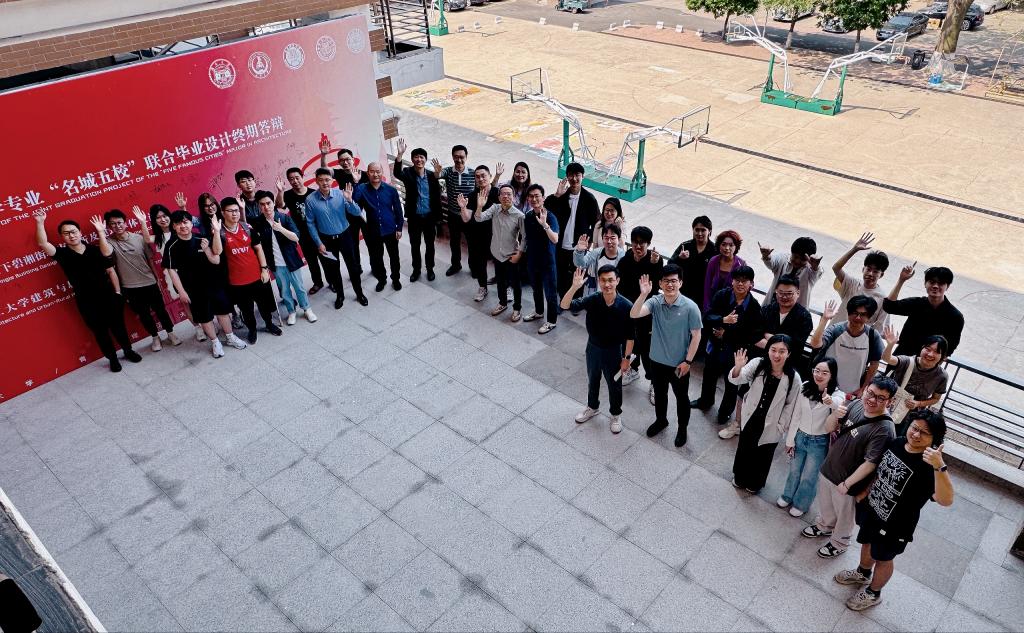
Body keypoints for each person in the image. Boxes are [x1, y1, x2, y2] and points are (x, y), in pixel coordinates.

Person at [835, 409, 954, 611]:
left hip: (897, 526)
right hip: (874, 510)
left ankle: (874, 593)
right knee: (867, 543)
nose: (916, 434)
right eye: (915, 428)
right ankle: (863, 573)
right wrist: (865, 491)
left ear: (934, 438)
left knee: (883, 558)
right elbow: (880, 470)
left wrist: (940, 467)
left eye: (924, 432)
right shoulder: (897, 443)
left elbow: (946, 500)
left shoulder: (929, 465)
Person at [802, 375, 898, 559]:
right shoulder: (856, 404)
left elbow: (871, 463)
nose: (872, 400)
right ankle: (825, 526)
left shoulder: (884, 429)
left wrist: (847, 484)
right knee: (827, 505)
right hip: (830, 467)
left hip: (848, 482)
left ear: (890, 401)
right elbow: (829, 428)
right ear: (866, 389)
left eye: (880, 398)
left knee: (845, 515)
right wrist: (834, 415)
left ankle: (840, 542)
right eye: (871, 393)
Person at [34, 211, 143, 372]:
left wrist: (118, 293)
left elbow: (111, 270)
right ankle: (112, 359)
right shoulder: (62, 254)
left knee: (119, 327)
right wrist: (40, 222)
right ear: (62, 237)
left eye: (73, 232)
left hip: (108, 296)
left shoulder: (95, 250)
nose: (71, 236)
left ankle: (128, 351)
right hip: (86, 301)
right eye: (66, 233)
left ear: (80, 232)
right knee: (100, 332)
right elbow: (43, 243)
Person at [629, 265, 703, 447]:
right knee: (660, 394)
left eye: (674, 281)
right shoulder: (655, 301)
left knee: (681, 397)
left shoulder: (690, 307)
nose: (670, 284)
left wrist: (688, 361)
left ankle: (682, 429)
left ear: (681, 283)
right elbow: (634, 313)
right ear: (660, 283)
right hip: (656, 361)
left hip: (679, 365)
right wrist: (643, 294)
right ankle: (661, 421)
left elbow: (696, 336)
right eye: (666, 281)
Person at [162, 211, 248, 357]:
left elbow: (216, 260)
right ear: (174, 226)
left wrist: (208, 246)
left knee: (222, 312)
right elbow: (172, 271)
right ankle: (215, 342)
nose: (183, 226)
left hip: (213, 283)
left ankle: (230, 337)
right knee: (204, 317)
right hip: (193, 289)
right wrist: (182, 291)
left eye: (186, 222)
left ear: (191, 223)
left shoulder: (201, 238)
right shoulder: (171, 246)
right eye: (179, 223)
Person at [562, 266, 635, 434]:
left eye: (610, 280)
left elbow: (630, 337)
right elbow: (565, 305)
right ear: (599, 281)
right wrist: (574, 287)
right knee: (593, 379)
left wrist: (626, 359)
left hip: (614, 351)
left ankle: (615, 414)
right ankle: (592, 407)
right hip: (593, 347)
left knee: (614, 385)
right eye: (603, 280)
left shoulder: (626, 306)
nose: (607, 284)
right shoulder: (593, 299)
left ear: (617, 281)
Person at [727, 336, 800, 492]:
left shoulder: (794, 378)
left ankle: (755, 483)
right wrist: (738, 367)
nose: (777, 355)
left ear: (789, 353)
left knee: (764, 454)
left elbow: (791, 405)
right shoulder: (758, 364)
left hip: (773, 423)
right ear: (768, 350)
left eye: (782, 351)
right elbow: (737, 379)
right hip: (751, 416)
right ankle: (739, 477)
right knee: (744, 448)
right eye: (773, 350)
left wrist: (781, 425)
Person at [693, 265, 763, 424]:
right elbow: (707, 317)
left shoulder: (754, 307)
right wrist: (723, 320)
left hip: (735, 351)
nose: (740, 284)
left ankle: (725, 412)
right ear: (732, 281)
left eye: (745, 281)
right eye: (737, 280)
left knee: (731, 382)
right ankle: (705, 401)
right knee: (709, 375)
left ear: (751, 284)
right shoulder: (722, 295)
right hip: (716, 346)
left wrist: (727, 333)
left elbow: (752, 335)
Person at [104, 208, 180, 351]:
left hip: (149, 281)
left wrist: (156, 278)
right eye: (112, 224)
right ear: (108, 227)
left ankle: (171, 333)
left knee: (160, 310)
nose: (117, 226)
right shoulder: (109, 242)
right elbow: (106, 252)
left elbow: (150, 260)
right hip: (129, 286)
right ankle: (155, 337)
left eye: (119, 222)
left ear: (125, 223)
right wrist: (101, 232)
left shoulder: (139, 238)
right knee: (144, 315)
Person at [779, 357, 845, 517]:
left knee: (809, 476)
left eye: (825, 372)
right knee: (794, 470)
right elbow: (796, 414)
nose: (819, 375)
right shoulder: (805, 386)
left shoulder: (837, 394)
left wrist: (829, 401)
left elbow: (839, 404)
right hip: (800, 436)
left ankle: (801, 504)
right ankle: (787, 496)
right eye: (817, 371)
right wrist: (789, 440)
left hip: (819, 442)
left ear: (832, 375)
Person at [219, 197, 282, 343]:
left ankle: (269, 324)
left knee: (264, 304)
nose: (235, 214)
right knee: (246, 309)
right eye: (230, 211)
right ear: (223, 213)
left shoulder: (247, 228)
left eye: (236, 210)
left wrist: (264, 269)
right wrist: (216, 232)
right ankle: (252, 330)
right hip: (237, 281)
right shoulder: (220, 234)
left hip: (257, 276)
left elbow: (259, 249)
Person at [304, 168, 368, 309]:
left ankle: (359, 293)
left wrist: (350, 200)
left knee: (353, 267)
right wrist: (319, 243)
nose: (325, 183)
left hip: (345, 236)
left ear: (332, 180)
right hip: (326, 240)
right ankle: (340, 295)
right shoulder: (310, 200)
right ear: (316, 181)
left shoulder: (340, 194)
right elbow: (310, 223)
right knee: (334, 269)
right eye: (321, 180)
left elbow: (357, 212)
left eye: (327, 179)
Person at [253, 190, 317, 325]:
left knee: (299, 287)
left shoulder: (284, 218)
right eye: (262, 204)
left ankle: (307, 309)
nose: (266, 207)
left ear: (273, 203)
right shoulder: (258, 223)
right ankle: (291, 311)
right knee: (284, 290)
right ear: (259, 206)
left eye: (268, 203)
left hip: (291, 261)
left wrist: (281, 229)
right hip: (276, 264)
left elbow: (296, 237)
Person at [616, 226, 663, 399]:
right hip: (629, 311)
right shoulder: (626, 260)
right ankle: (632, 369)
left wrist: (654, 265)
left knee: (647, 349)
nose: (637, 246)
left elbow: (657, 285)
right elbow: (619, 284)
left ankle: (654, 382)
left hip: (646, 312)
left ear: (648, 244)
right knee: (630, 343)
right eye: (635, 242)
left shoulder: (655, 260)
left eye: (642, 243)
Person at [810, 297, 885, 398]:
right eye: (854, 313)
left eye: (863, 315)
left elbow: (874, 364)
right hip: (825, 387)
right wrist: (824, 319)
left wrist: (863, 389)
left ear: (869, 317)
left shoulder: (873, 336)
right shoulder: (836, 330)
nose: (858, 317)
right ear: (848, 313)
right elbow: (815, 344)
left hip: (851, 393)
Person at [883, 264, 964, 357]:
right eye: (932, 282)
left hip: (928, 361)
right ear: (925, 284)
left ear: (947, 286)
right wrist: (901, 280)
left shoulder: (955, 316)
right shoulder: (916, 303)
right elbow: (889, 306)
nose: (935, 286)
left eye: (941, 283)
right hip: (902, 357)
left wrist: (933, 361)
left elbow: (951, 347)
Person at [881, 327, 949, 435]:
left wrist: (918, 403)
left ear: (943, 357)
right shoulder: (907, 361)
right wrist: (890, 345)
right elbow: (887, 359)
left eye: (936, 352)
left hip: (911, 418)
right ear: (922, 348)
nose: (930, 354)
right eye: (928, 349)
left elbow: (936, 398)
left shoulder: (942, 376)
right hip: (888, 408)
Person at [546, 163, 600, 297]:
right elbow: (546, 211)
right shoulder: (562, 196)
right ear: (567, 177)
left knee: (578, 278)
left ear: (582, 177)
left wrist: (589, 242)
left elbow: (596, 224)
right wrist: (557, 195)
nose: (574, 179)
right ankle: (562, 300)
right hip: (560, 245)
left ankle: (576, 302)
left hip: (578, 247)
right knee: (560, 276)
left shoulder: (589, 199)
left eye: (577, 175)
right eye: (571, 175)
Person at [393, 139, 442, 282]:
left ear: (425, 160)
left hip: (429, 217)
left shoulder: (432, 176)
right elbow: (397, 173)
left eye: (421, 157)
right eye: (416, 157)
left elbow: (437, 198)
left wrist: (438, 174)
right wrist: (400, 154)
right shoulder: (408, 173)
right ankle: (416, 269)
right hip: (414, 217)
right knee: (415, 245)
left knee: (430, 245)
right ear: (412, 159)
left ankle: (430, 269)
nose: (419, 159)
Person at [474, 184, 525, 321]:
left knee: (515, 284)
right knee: (500, 281)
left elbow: (525, 238)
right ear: (499, 197)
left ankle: (517, 309)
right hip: (497, 253)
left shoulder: (520, 215)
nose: (506, 196)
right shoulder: (495, 208)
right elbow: (478, 218)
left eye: (509, 194)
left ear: (514, 197)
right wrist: (479, 206)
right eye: (503, 193)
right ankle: (502, 303)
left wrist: (519, 253)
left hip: (511, 255)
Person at [351, 162, 405, 292]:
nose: (375, 174)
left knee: (394, 257)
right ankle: (382, 279)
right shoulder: (362, 188)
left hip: (390, 229)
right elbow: (354, 202)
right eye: (372, 171)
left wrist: (399, 228)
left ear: (382, 172)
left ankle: (396, 279)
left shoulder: (391, 190)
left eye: (378, 171)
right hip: (373, 231)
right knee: (377, 258)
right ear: (367, 173)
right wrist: (355, 182)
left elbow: (398, 210)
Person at [278, 167, 329, 295]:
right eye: (291, 179)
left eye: (297, 178)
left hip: (319, 233)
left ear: (302, 177)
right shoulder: (288, 195)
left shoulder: (314, 193)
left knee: (326, 259)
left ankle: (332, 281)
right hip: (303, 235)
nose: (295, 181)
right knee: (311, 261)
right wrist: (280, 191)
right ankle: (317, 283)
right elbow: (279, 205)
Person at [320, 142, 369, 275]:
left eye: (348, 159)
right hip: (349, 214)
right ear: (339, 163)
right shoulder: (339, 173)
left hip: (365, 214)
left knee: (371, 242)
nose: (345, 162)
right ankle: (357, 268)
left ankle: (375, 268)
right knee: (353, 244)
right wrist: (324, 154)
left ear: (353, 159)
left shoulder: (364, 174)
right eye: (342, 160)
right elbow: (325, 169)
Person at [753, 274, 814, 378]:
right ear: (776, 291)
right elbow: (755, 337)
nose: (784, 297)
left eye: (789, 293)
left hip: (785, 367)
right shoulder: (767, 310)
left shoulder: (804, 317)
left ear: (798, 293)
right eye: (781, 293)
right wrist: (780, 345)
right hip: (760, 360)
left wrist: (768, 336)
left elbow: (795, 347)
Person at [521, 184, 560, 334]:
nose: (534, 199)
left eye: (537, 196)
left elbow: (555, 239)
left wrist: (544, 225)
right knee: (536, 289)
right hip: (532, 260)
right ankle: (538, 312)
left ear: (543, 198)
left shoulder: (551, 217)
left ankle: (551, 321)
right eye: (531, 196)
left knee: (550, 293)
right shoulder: (529, 216)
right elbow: (526, 238)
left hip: (547, 262)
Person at [433, 144, 476, 276]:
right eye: (456, 157)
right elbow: (438, 176)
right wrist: (437, 172)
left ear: (466, 157)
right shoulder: (448, 171)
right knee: (454, 242)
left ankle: (473, 267)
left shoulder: (473, 173)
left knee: (472, 243)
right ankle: (456, 265)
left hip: (468, 216)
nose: (459, 160)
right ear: (452, 157)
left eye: (462, 157)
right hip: (453, 215)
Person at [458, 165, 499, 302]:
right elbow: (466, 218)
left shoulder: (498, 193)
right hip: (478, 236)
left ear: (490, 176)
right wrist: (463, 207)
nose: (480, 179)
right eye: (477, 176)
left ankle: (506, 286)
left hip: (497, 236)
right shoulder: (472, 195)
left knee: (500, 263)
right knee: (480, 264)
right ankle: (483, 287)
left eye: (483, 176)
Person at [830, 232, 889, 328]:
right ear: (863, 269)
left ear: (881, 275)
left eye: (875, 271)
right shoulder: (852, 284)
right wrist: (854, 249)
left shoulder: (883, 299)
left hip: (857, 337)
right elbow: (836, 268)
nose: (870, 274)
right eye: (868, 269)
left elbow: (879, 327)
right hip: (834, 333)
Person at [759, 237, 823, 307]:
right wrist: (766, 256)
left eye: (802, 259)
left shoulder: (811, 271)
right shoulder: (783, 259)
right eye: (795, 257)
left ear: (809, 259)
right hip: (771, 308)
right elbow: (771, 262)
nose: (797, 261)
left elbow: (817, 272)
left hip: (795, 313)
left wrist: (815, 267)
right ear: (791, 253)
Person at [670, 215, 714, 308]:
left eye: (703, 230)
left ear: (709, 231)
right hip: (683, 293)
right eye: (696, 230)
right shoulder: (685, 246)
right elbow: (670, 264)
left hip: (703, 296)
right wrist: (679, 258)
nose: (699, 233)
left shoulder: (715, 250)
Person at [572, 224, 626, 297]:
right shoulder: (596, 253)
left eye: (612, 238)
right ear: (602, 239)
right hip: (599, 295)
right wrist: (579, 251)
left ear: (619, 240)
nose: (609, 241)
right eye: (606, 238)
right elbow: (581, 265)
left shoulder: (624, 256)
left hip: (616, 297)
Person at [703, 230, 745, 312]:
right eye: (723, 244)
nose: (727, 248)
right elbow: (707, 286)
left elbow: (746, 287)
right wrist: (706, 308)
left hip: (731, 308)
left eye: (731, 245)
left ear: (736, 247)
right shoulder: (713, 261)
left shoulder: (741, 264)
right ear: (719, 245)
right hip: (712, 305)